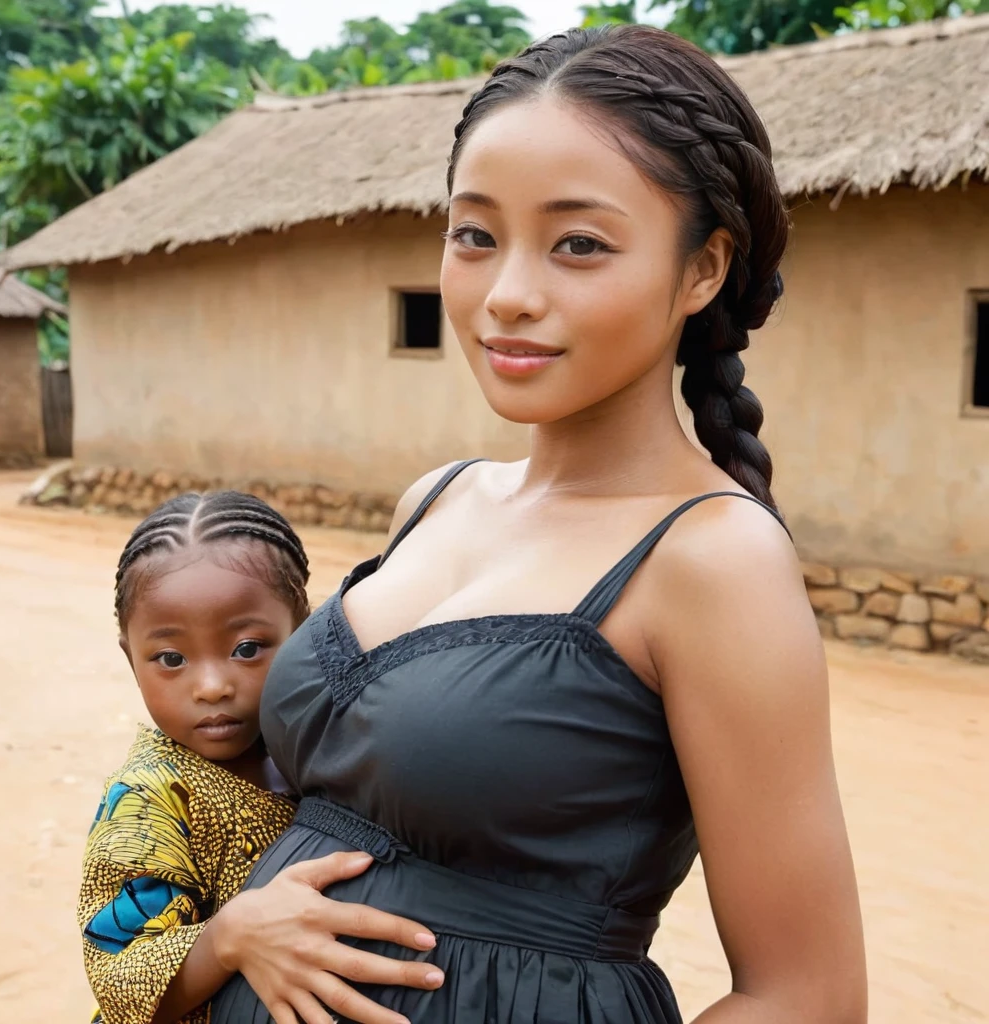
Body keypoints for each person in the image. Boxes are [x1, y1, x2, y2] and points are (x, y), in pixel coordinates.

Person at [208, 24, 868, 1024]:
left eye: (579, 245)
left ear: (702, 269)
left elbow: (807, 997)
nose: (508, 295)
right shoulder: (437, 497)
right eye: (475, 235)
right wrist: (226, 935)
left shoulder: (709, 563)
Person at [78, 491, 311, 1024]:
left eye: (247, 648)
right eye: (172, 659)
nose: (210, 687)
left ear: (304, 630)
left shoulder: (323, 751)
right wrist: (229, 936)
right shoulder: (149, 800)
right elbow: (120, 976)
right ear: (130, 658)